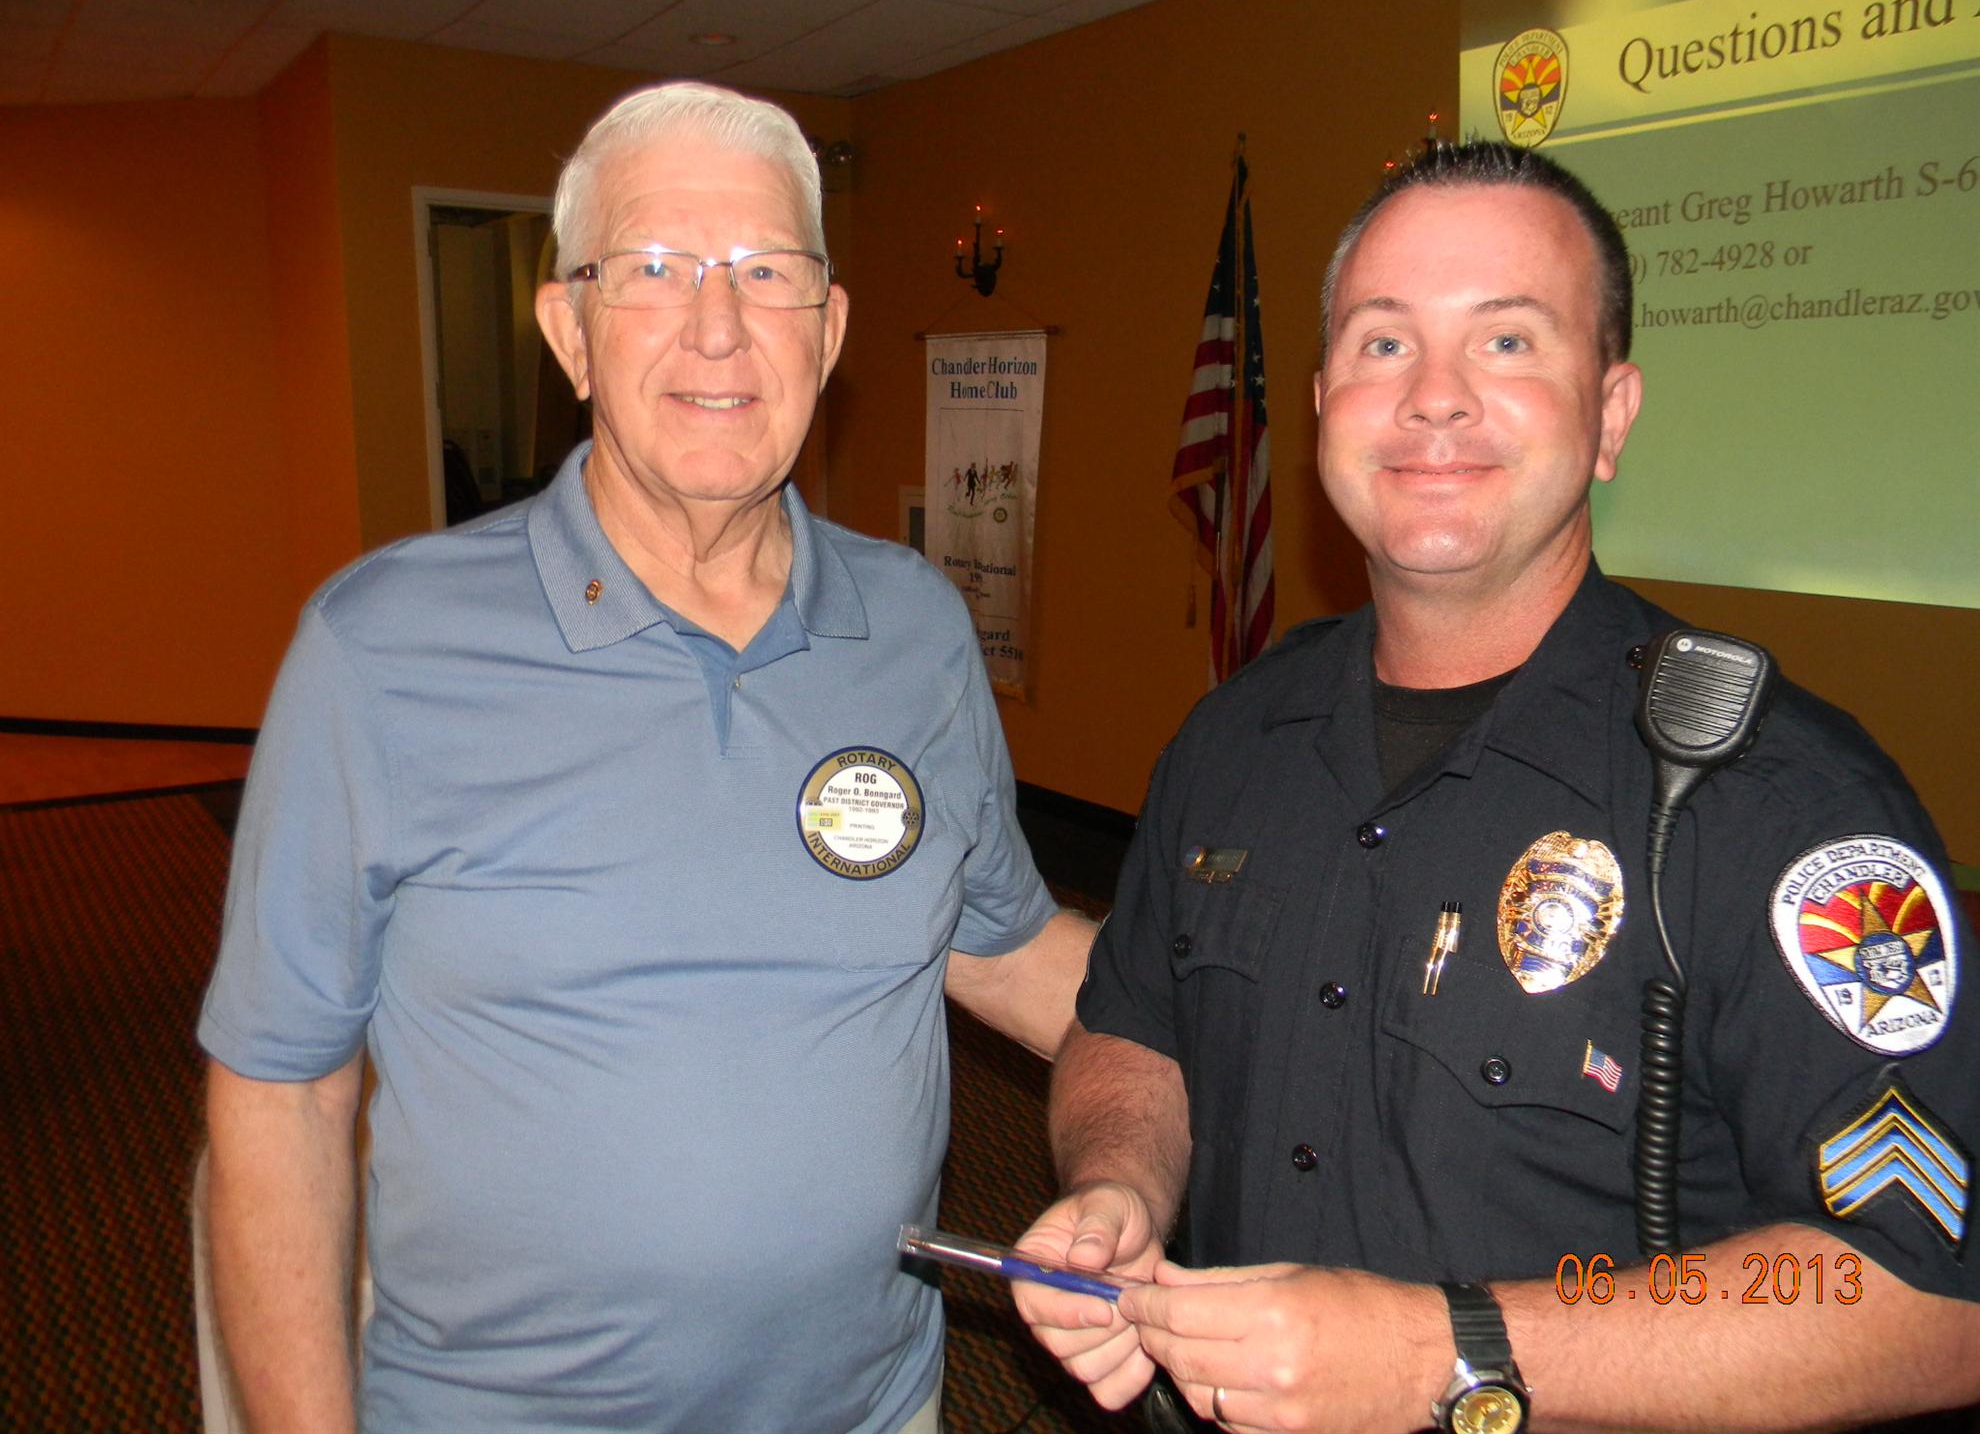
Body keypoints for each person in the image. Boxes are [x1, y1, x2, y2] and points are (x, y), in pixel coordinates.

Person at [1014, 142, 1979, 1432]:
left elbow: (1930, 1295)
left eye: (1508, 341)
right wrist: (1120, 1186)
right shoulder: (1231, 740)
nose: (1435, 398)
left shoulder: (1777, 800)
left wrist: (1444, 1352)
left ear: (1612, 415)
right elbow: (1137, 1026)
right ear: (1324, 405)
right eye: (1384, 343)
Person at [198, 81, 1094, 1434]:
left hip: (870, 1410)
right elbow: (281, 1095)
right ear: (570, 330)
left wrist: (1284, 1034)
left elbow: (1003, 945)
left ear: (829, 329)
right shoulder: (380, 648)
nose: (717, 325)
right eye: (656, 268)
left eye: (767, 272)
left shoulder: (914, 627)